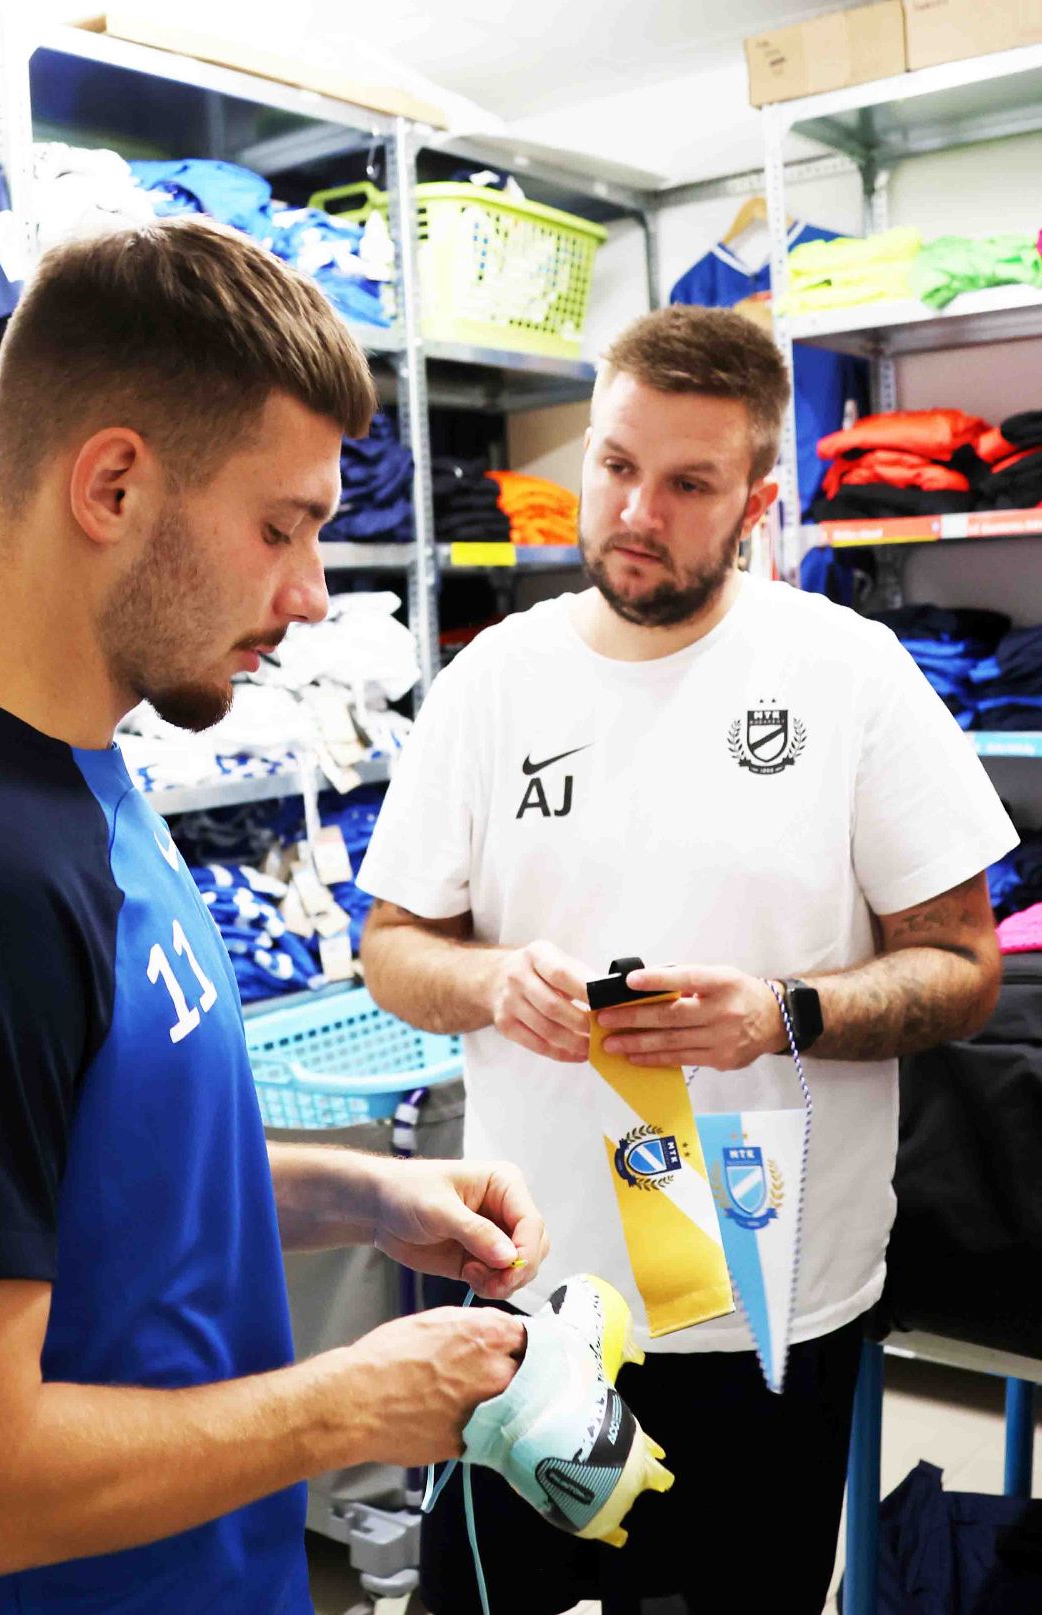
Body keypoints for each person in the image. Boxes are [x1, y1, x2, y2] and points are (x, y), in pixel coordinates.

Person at [0, 217, 546, 1615]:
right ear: (114, 485)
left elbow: (82, 1181)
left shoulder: (83, 769)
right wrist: (351, 1405)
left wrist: (359, 1197)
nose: (310, 595)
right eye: (280, 527)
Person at [357, 304, 1017, 1615]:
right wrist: (492, 983)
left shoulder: (851, 675)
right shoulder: (492, 684)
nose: (635, 511)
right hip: (533, 1291)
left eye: (688, 484)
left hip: (774, 1307)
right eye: (613, 465)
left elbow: (961, 963)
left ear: (759, 503)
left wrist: (786, 1013)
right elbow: (392, 948)